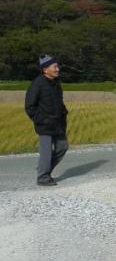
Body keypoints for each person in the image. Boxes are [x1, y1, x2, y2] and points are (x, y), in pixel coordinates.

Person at [24, 54, 68, 187]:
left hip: (58, 123)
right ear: (45, 69)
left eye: (57, 66)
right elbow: (29, 107)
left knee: (62, 147)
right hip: (45, 125)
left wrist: (64, 112)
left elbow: (59, 102)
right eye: (54, 67)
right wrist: (41, 120)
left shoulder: (56, 83)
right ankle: (43, 177)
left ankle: (44, 169)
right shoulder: (37, 84)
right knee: (46, 152)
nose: (57, 69)